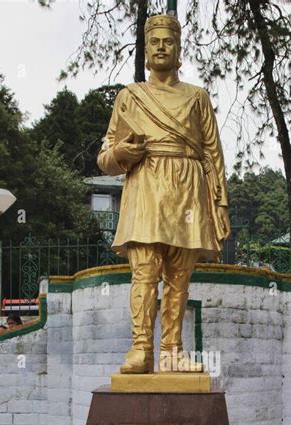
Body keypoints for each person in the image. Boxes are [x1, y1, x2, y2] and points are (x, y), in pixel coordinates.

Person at [97, 13, 231, 374]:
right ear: (145, 51)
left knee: (179, 277)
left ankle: (172, 351)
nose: (160, 47)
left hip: (188, 188)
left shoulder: (197, 97)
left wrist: (219, 202)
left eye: (167, 41)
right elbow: (105, 156)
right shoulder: (130, 97)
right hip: (145, 186)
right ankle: (141, 348)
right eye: (154, 41)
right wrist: (122, 154)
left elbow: (213, 153)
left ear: (179, 50)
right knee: (144, 272)